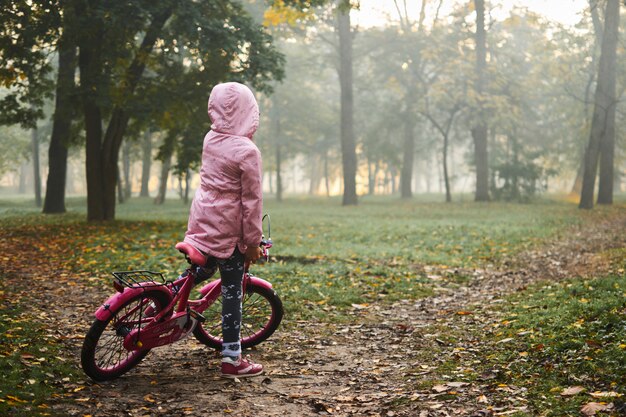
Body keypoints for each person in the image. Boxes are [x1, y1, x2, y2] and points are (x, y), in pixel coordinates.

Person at [183, 82, 264, 378]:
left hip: (203, 221)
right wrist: (252, 242)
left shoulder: (210, 138)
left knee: (202, 268)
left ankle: (165, 305)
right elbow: (252, 202)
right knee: (232, 288)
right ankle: (232, 358)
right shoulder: (247, 151)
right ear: (249, 112)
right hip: (228, 230)